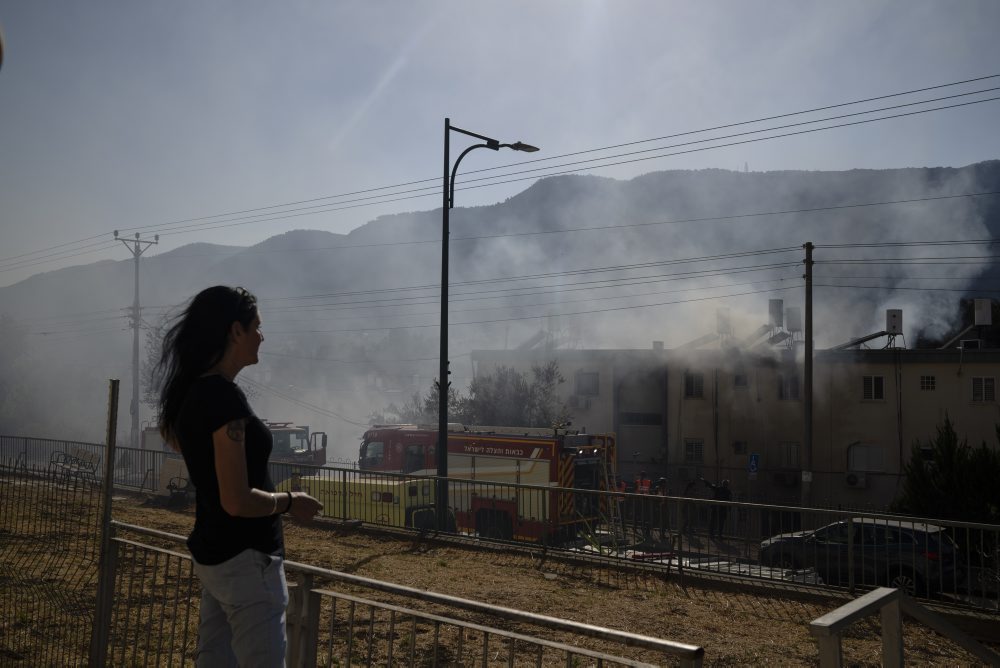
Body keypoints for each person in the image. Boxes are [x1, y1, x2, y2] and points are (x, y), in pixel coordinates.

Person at [157, 286, 322, 667]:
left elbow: (191, 451)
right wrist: (291, 502)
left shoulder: (192, 393)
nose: (262, 336)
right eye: (257, 327)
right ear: (235, 331)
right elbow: (237, 499)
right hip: (248, 562)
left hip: (214, 556)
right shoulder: (224, 399)